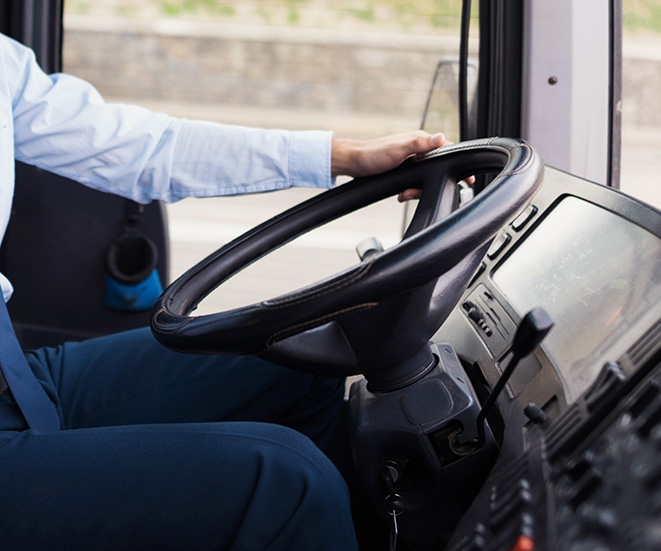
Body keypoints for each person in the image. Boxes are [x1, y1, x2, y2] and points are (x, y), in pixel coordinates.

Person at [0, 31, 447, 550]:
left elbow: (144, 148)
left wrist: (341, 156)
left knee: (298, 360)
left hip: (15, 378)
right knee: (285, 482)